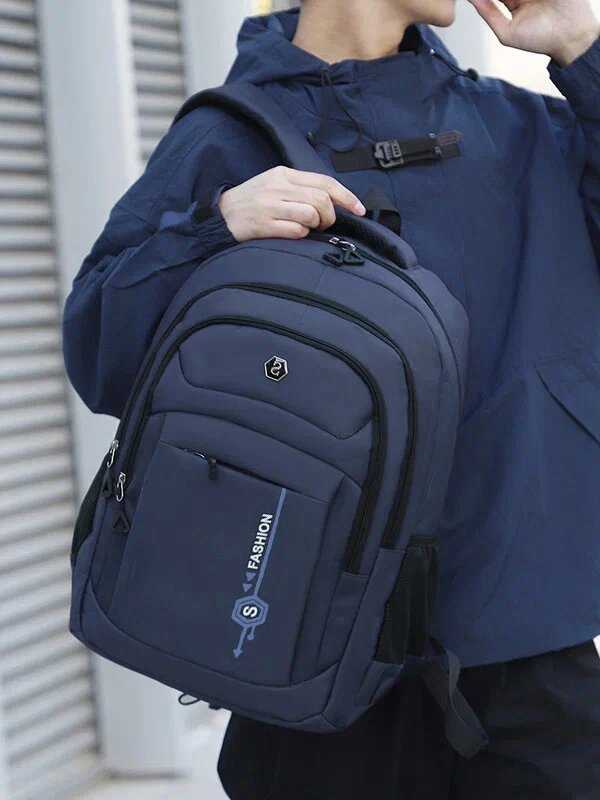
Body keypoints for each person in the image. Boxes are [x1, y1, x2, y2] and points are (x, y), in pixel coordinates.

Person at [62, 0, 600, 796]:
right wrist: (215, 230)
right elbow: (100, 350)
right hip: (305, 657)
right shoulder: (231, 137)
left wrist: (584, 49)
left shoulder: (522, 129)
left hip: (530, 660)